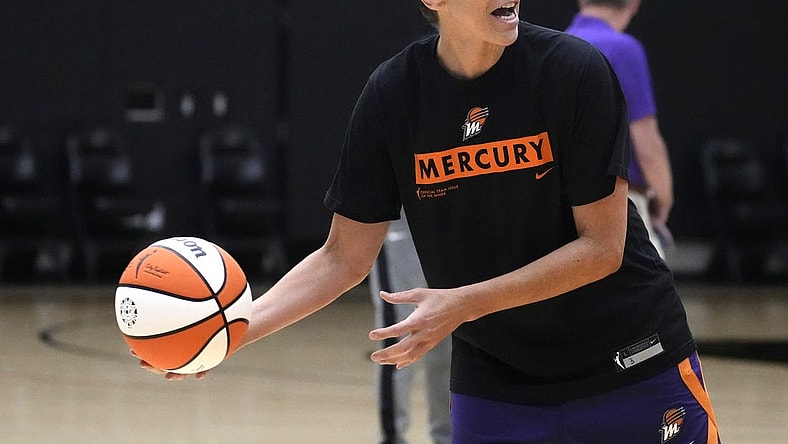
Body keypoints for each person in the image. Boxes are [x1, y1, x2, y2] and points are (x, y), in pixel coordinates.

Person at [142, 1, 721, 442]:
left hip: (632, 363)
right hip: (500, 384)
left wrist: (463, 302)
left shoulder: (573, 72)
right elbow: (343, 255)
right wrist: (238, 328)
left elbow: (602, 248)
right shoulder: (394, 95)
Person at [566, 0, 675, 258]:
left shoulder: (560, 46)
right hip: (620, 206)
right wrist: (662, 198)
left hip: (566, 208)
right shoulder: (623, 49)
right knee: (653, 294)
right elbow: (646, 141)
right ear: (635, 4)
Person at [368, 208, 451, 444]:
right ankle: (392, 436)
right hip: (399, 221)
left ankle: (448, 436)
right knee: (397, 336)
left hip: (449, 221)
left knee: (449, 335)